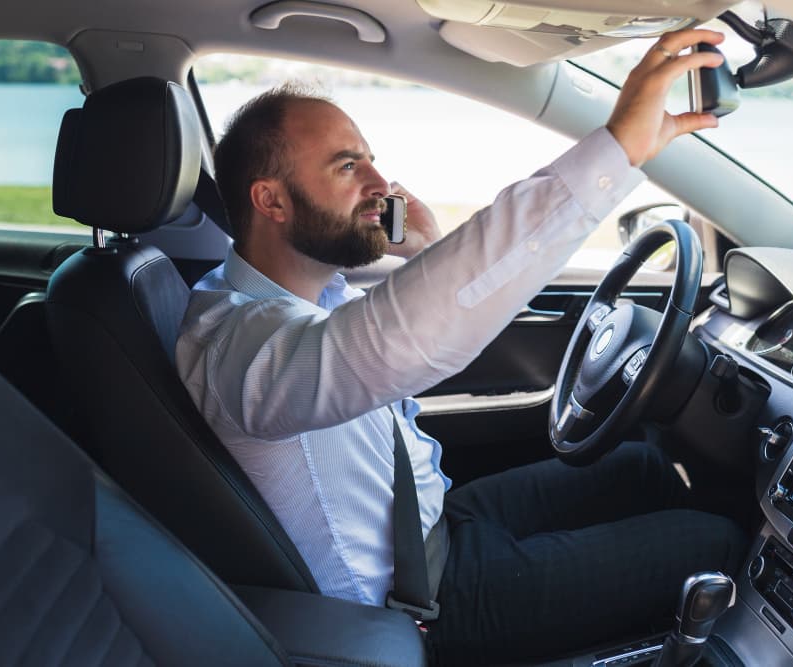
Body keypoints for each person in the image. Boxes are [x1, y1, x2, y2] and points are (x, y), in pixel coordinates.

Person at [177, 29, 746, 665]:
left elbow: (408, 332)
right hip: (424, 599)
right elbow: (398, 339)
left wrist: (424, 252)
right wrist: (617, 151)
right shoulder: (238, 345)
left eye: (369, 159)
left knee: (642, 467)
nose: (380, 181)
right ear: (271, 200)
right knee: (715, 541)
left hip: (434, 529)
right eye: (346, 166)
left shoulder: (296, 299)